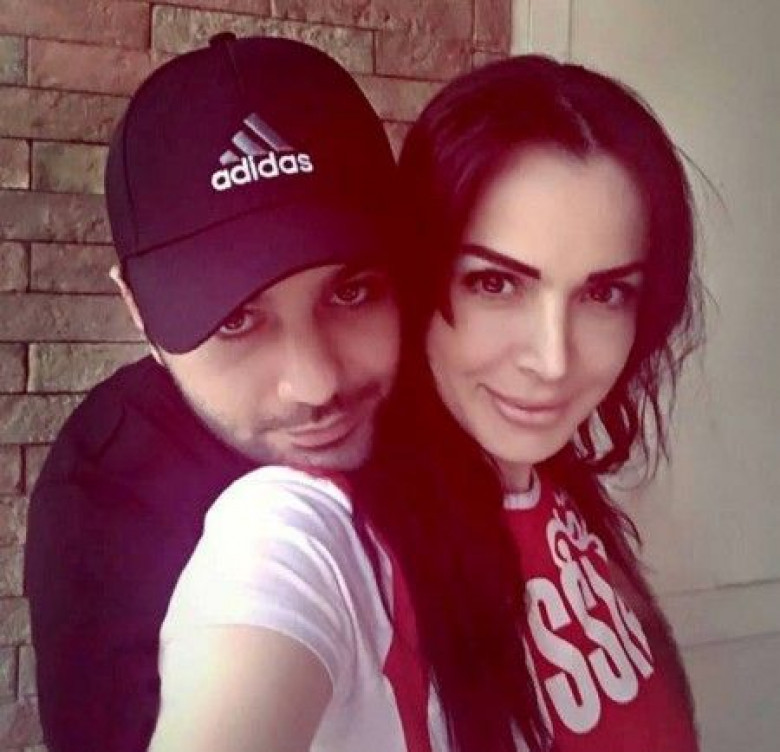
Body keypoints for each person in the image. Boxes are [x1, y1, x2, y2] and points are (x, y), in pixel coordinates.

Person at [151, 56, 702, 751]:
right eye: (495, 283)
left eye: (603, 293)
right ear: (416, 270)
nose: (553, 361)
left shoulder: (553, 476)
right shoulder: (304, 533)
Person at [23, 34, 404, 752]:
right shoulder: (106, 508)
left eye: (352, 292)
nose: (316, 383)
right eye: (235, 320)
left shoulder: (446, 389)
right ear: (138, 311)